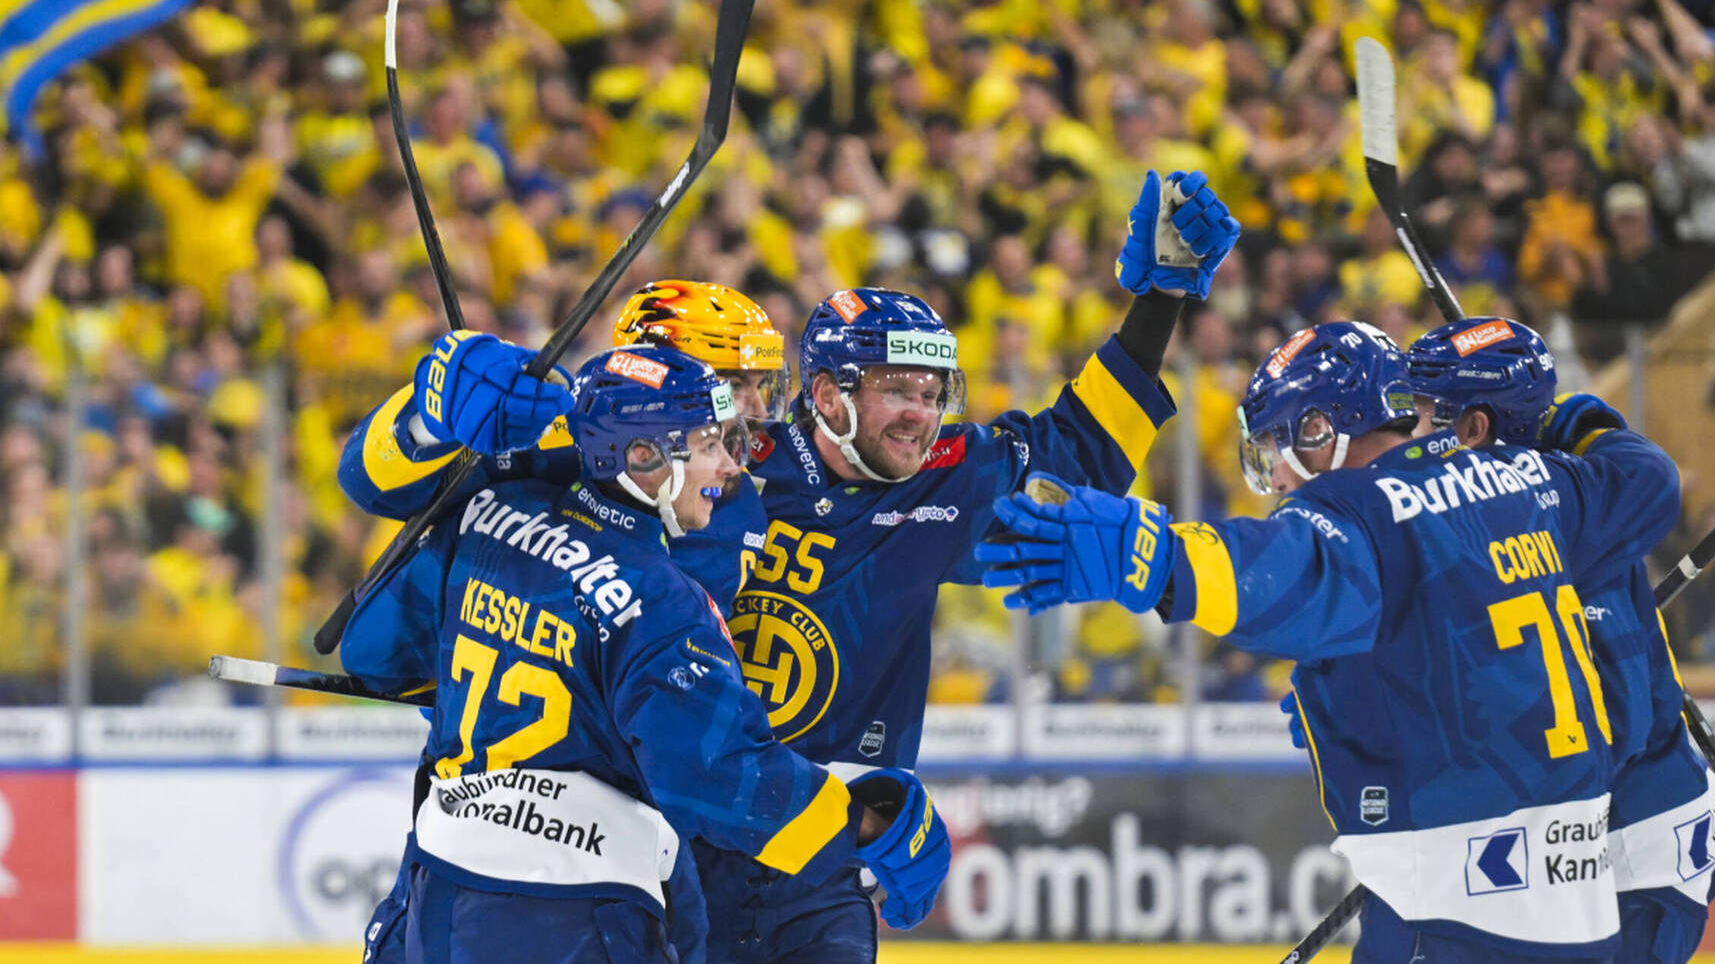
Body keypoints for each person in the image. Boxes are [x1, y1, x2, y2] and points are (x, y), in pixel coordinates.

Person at [977, 321, 1682, 961]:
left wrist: (1153, 555)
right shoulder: (1531, 478)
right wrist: (1572, 421)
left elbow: (1280, 572)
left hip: (1462, 908)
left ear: (1324, 428)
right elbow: (1645, 481)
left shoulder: (1371, 512)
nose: (1277, 478)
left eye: (1278, 447)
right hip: (1573, 902)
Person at [693, 167, 1235, 963]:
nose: (920, 413)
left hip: (827, 859)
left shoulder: (944, 475)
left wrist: (1160, 303)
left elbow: (1076, 461)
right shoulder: (725, 469)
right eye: (895, 390)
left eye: (931, 389)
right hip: (684, 840)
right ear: (829, 394)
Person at [337, 344, 950, 963]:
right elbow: (717, 779)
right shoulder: (660, 598)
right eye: (707, 444)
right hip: (568, 910)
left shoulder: (495, 507)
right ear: (642, 458)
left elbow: (374, 651)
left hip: (435, 885)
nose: (726, 467)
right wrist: (867, 825)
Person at [338, 280, 788, 963]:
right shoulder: (574, 453)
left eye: (759, 383)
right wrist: (436, 412)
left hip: (594, 848)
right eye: (734, 380)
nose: (751, 407)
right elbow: (368, 481)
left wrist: (529, 445)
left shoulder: (715, 506)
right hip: (479, 840)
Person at [1407, 317, 1715, 964]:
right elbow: (1643, 470)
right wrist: (1573, 420)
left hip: (1636, 841)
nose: (1405, 438)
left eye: (1422, 418)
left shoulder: (1525, 527)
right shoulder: (1577, 503)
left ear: (1474, 430)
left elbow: (1617, 727)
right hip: (1587, 836)